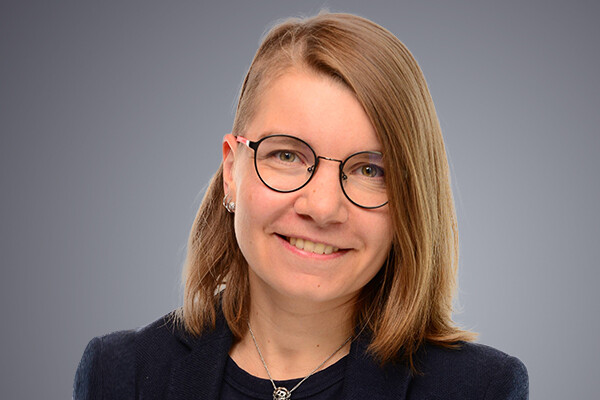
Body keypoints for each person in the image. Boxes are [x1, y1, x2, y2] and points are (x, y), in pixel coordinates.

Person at [74, 12, 528, 400]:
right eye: (288, 156)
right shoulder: (119, 376)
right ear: (231, 171)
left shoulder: (479, 388)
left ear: (412, 199)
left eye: (370, 170)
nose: (323, 207)